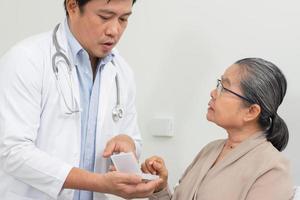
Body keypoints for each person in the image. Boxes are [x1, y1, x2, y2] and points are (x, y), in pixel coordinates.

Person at [0, 0, 162, 199]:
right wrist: (98, 183)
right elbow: (13, 152)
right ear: (72, 6)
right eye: (104, 17)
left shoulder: (122, 72)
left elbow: (132, 139)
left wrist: (127, 144)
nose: (114, 30)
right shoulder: (26, 60)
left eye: (123, 19)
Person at [141, 58, 294, 200]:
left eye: (224, 88)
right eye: (218, 84)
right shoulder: (210, 150)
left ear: (251, 112)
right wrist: (160, 188)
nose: (213, 93)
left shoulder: (272, 169)